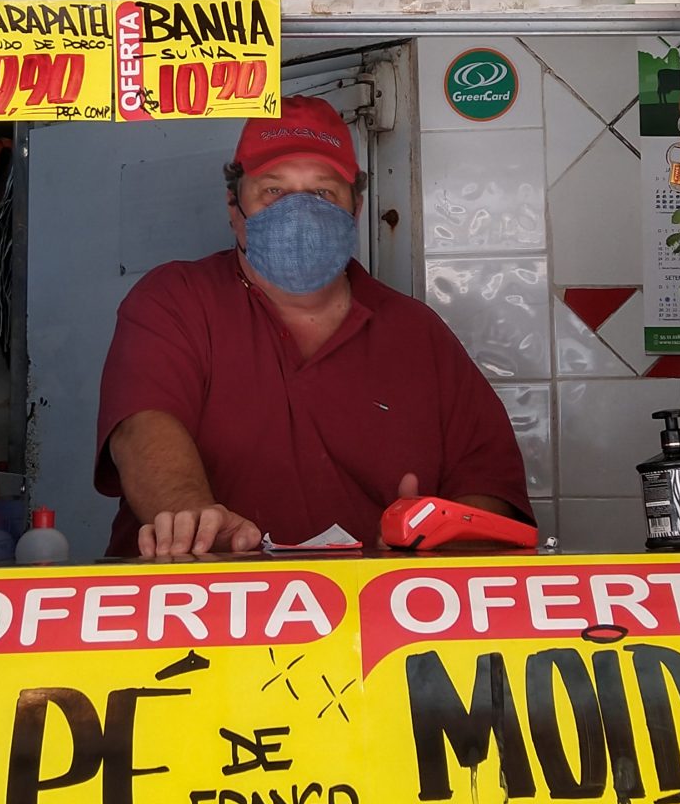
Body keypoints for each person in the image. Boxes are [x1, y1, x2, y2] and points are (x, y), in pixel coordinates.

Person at [96, 96, 532, 556]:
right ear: (233, 205)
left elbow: (490, 487)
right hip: (198, 605)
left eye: (323, 192)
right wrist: (193, 518)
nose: (300, 213)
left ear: (355, 207)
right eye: (274, 191)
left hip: (374, 613)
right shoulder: (175, 299)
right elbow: (140, 426)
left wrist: (438, 538)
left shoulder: (417, 333)